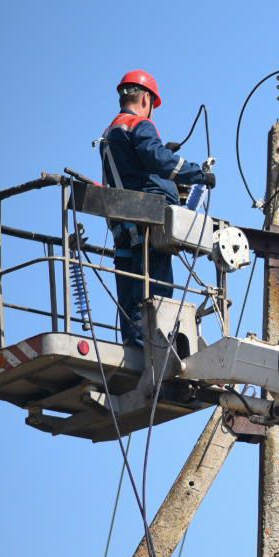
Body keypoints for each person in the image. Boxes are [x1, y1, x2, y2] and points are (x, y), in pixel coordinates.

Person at [99, 69, 215, 348]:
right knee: (157, 287)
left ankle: (135, 342)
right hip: (147, 219)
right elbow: (156, 157)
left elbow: (135, 166)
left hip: (122, 223)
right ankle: (161, 346)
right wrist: (197, 173)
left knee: (130, 284)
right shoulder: (140, 124)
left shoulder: (111, 132)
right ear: (146, 99)